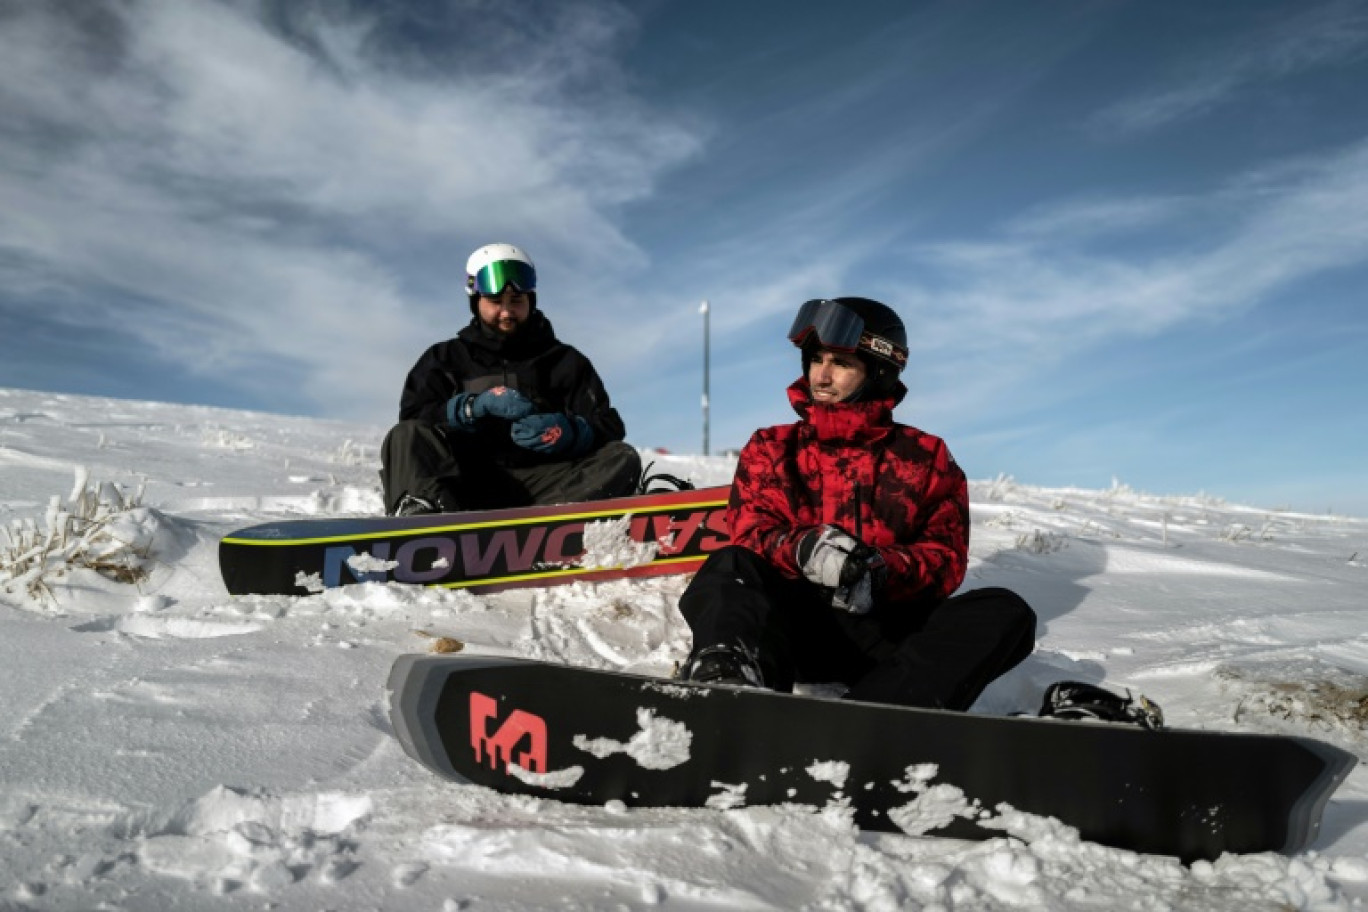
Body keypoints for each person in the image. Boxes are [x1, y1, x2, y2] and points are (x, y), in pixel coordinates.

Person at [677, 297, 1036, 711]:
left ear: (879, 372)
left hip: (884, 631)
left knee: (1006, 612)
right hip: (792, 625)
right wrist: (803, 550)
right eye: (816, 360)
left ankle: (883, 713)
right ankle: (730, 688)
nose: (822, 376)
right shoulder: (772, 446)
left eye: (842, 364)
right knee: (731, 565)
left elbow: (944, 559)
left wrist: (878, 570)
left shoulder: (926, 456)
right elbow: (753, 531)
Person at [380, 243, 641, 516]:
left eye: (516, 301)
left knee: (621, 458)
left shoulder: (566, 361)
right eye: (495, 302)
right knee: (405, 436)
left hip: (546, 487)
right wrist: (470, 408)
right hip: (461, 485)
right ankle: (426, 526)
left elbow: (608, 425)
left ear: (530, 300)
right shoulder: (444, 358)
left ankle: (553, 526)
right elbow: (413, 419)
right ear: (476, 301)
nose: (506, 312)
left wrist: (568, 432)